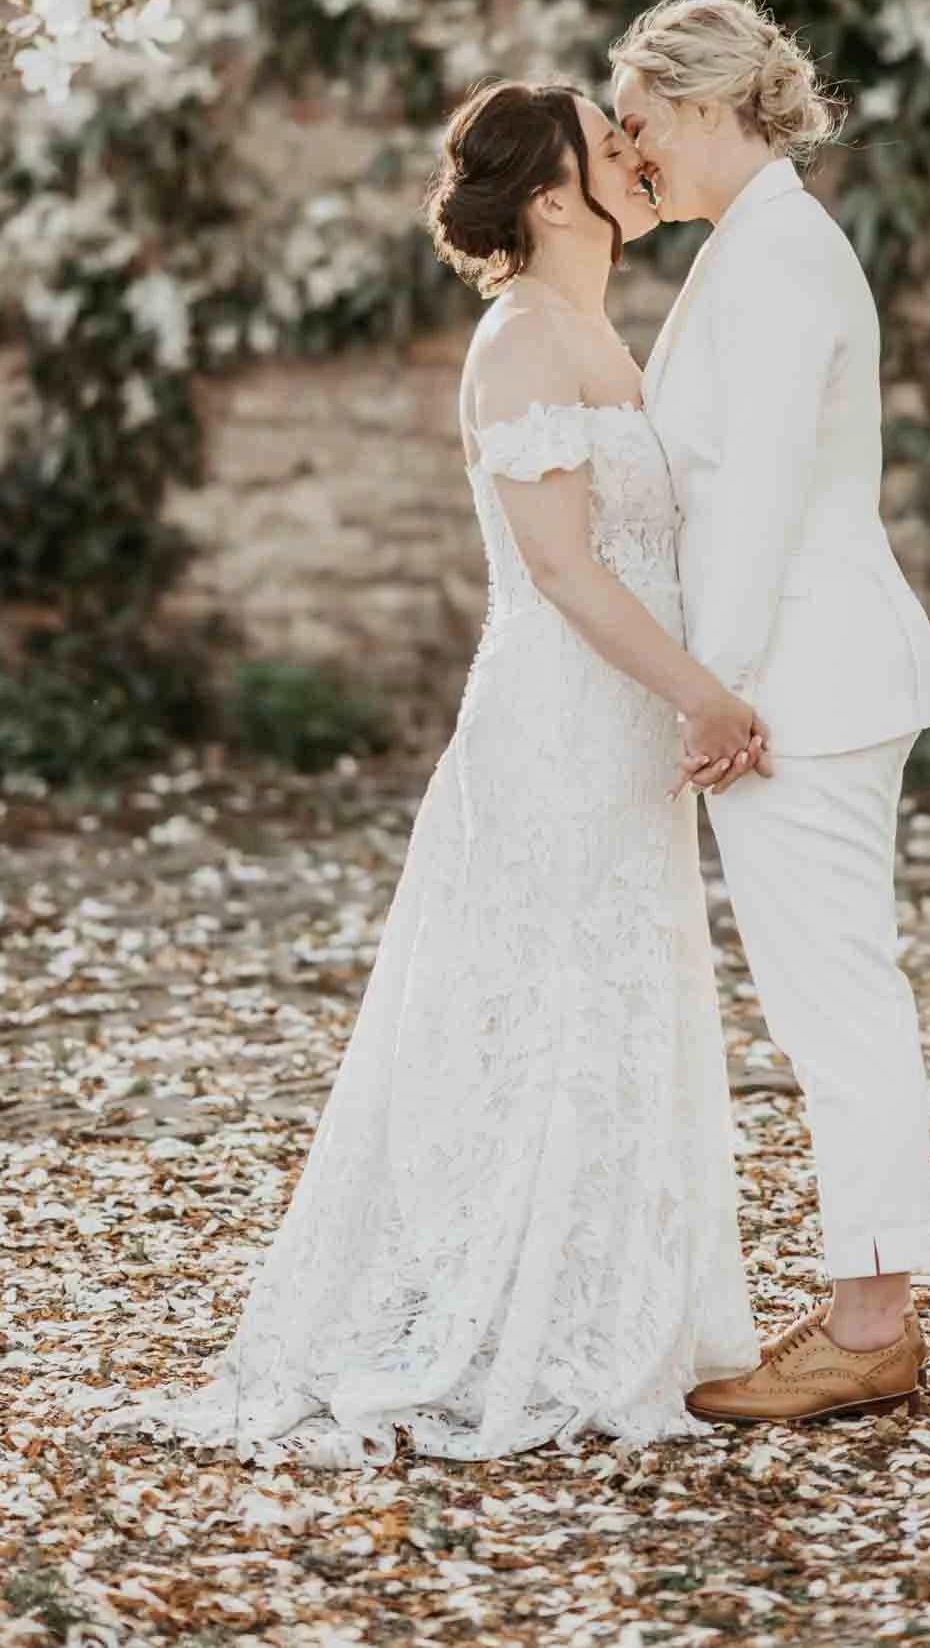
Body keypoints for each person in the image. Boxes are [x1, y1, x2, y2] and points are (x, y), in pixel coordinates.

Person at [110, 81, 764, 1463]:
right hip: (558, 721)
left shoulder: (598, 324)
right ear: (552, 197)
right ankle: (494, 1322)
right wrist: (703, 693)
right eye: (609, 144)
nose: (635, 154)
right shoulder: (519, 339)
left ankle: (597, 1306)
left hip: (621, 724)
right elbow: (561, 567)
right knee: (537, 1003)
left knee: (612, 994)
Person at [612, 0, 930, 1427]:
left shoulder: (776, 259)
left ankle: (871, 1325)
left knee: (837, 1002)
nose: (628, 152)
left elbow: (753, 499)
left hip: (800, 682)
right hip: (800, 673)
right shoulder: (756, 244)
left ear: (702, 107)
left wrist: (719, 694)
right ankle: (867, 1308)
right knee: (833, 996)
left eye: (637, 122)